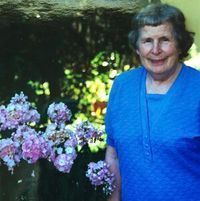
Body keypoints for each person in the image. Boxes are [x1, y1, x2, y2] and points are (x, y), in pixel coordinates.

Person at [105, 3, 200, 201]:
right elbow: (113, 154)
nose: (156, 50)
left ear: (180, 44)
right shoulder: (122, 86)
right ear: (137, 47)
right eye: (147, 40)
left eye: (165, 40)